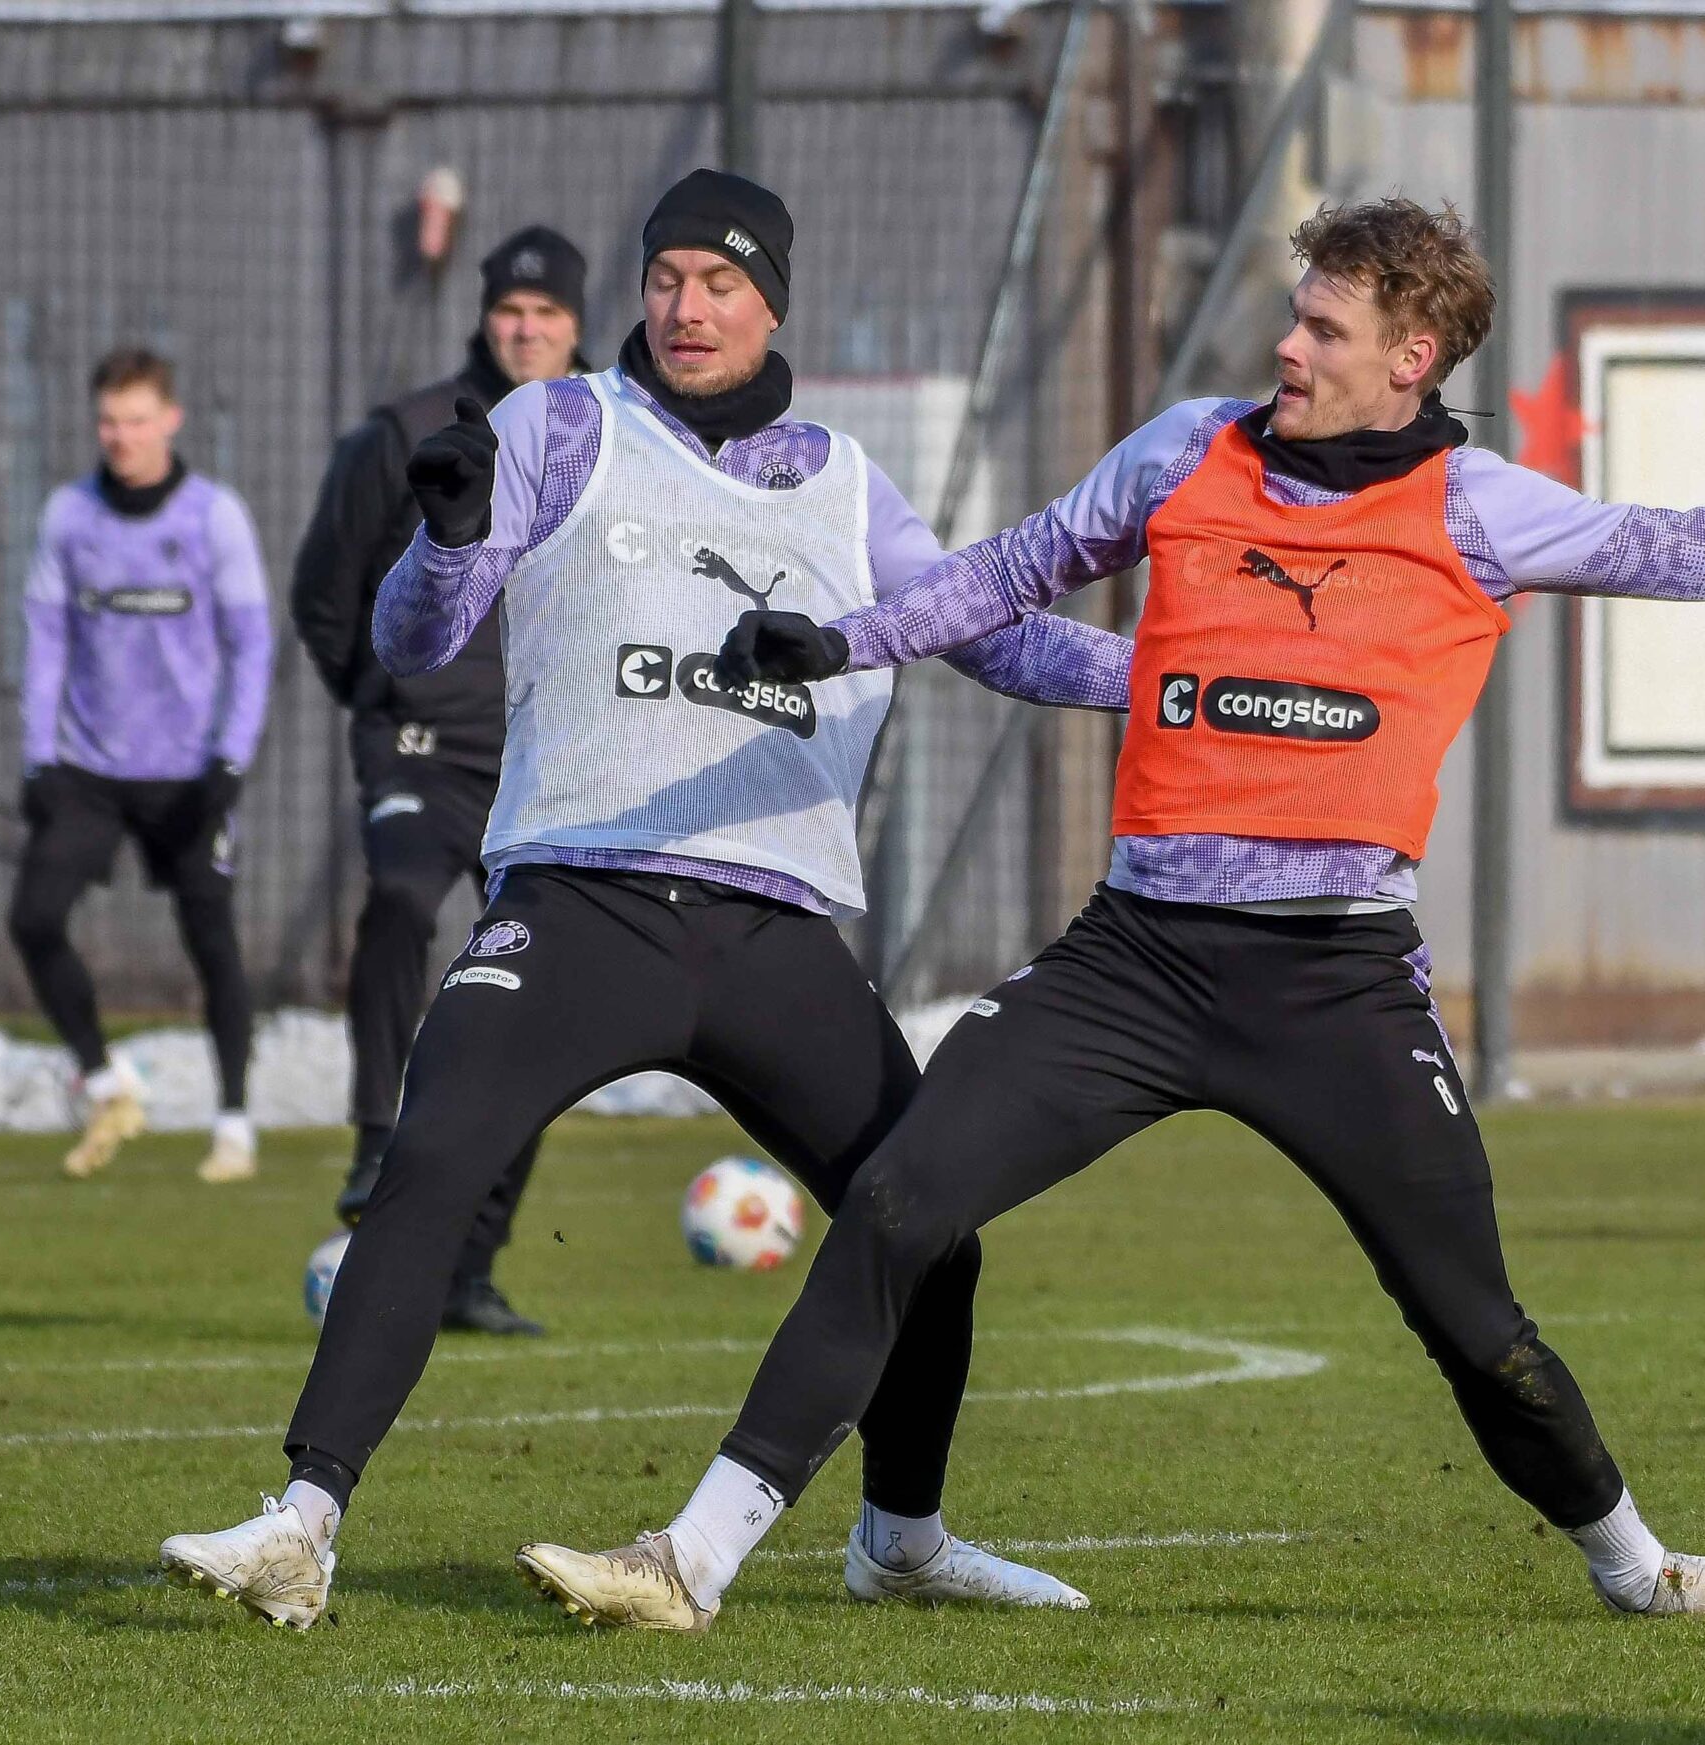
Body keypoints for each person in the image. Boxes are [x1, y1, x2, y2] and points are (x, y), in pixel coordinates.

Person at [517, 196, 1705, 1631]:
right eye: (1294, 315)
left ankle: (1641, 1567)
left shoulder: (1488, 509)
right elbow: (1004, 575)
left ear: (1412, 353)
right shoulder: (1182, 454)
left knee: (1476, 1328)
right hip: (1133, 962)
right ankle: (694, 1560)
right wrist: (849, 640)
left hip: (1338, 985)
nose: (1288, 344)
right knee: (897, 1198)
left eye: (1323, 325)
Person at [159, 170, 1137, 1630]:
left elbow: (991, 637)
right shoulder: (556, 425)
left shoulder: (847, 481)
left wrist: (1175, 684)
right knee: (433, 1161)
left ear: (774, 304)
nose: (687, 306)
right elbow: (418, 638)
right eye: (668, 276)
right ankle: (304, 1522)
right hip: (577, 900)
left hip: (771, 927)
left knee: (926, 1217)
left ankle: (906, 1538)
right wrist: (436, 542)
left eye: (722, 282)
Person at [292, 225, 594, 1337]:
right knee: (404, 901)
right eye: (510, 310)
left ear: (574, 326)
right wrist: (384, 696)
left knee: (545, 1003)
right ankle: (378, 1133)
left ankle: (469, 1266)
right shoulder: (407, 432)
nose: (526, 327)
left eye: (548, 314)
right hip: (421, 742)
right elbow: (325, 591)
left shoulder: (600, 438)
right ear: (486, 314)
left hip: (549, 757)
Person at [12, 347, 276, 1185]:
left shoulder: (211, 518)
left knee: (211, 943)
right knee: (34, 917)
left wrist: (230, 757)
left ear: (170, 419)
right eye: (107, 422)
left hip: (188, 773)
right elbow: (47, 639)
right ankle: (104, 1083)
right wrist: (38, 756)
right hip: (90, 769)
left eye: (135, 420)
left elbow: (251, 643)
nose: (119, 437)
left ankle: (234, 1121)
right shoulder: (70, 515)